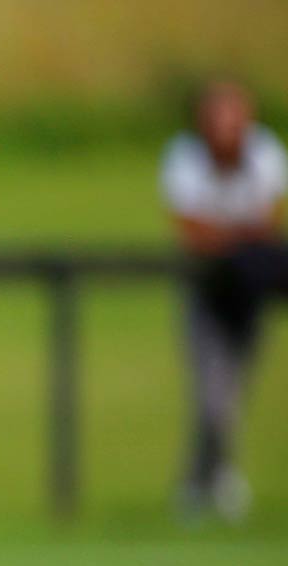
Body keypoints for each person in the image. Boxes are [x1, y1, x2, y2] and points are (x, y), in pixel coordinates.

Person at [160, 80, 286, 523]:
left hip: (248, 295)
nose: (225, 127)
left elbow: (269, 223)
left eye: (233, 116)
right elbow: (191, 231)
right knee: (213, 397)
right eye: (217, 117)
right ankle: (215, 479)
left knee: (232, 394)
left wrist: (227, 239)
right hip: (205, 294)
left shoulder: (266, 154)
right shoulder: (184, 159)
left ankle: (203, 479)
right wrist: (239, 239)